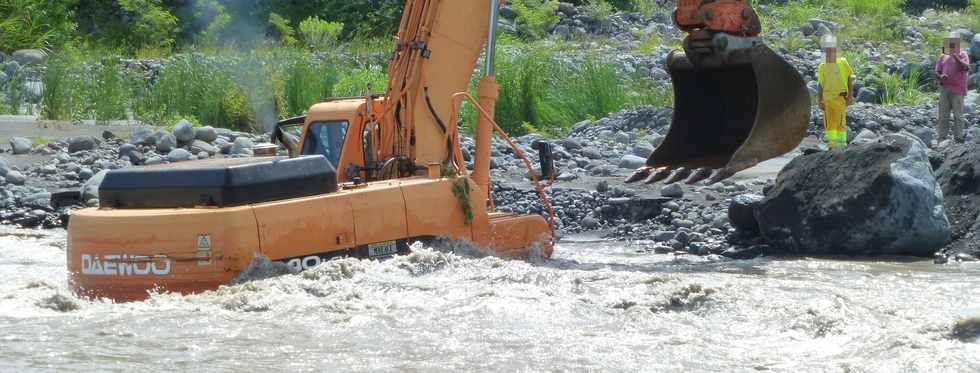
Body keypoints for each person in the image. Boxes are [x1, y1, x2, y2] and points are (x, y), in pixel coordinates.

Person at [817, 34, 855, 150]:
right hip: (827, 100)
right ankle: (832, 146)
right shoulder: (822, 66)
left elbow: (850, 77)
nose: (829, 51)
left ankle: (841, 145)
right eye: (826, 49)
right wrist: (819, 100)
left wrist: (850, 96)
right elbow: (820, 84)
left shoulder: (842, 62)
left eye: (831, 48)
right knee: (829, 124)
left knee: (840, 123)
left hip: (840, 98)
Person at [935, 31, 971, 144]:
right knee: (943, 116)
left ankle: (958, 138)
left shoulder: (963, 54)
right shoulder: (942, 55)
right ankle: (942, 139)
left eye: (953, 42)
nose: (950, 44)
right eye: (949, 41)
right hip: (945, 89)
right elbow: (936, 71)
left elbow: (966, 68)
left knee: (958, 116)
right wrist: (941, 76)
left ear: (957, 43)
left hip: (958, 90)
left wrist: (955, 56)